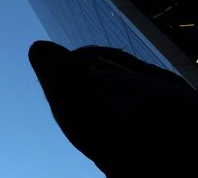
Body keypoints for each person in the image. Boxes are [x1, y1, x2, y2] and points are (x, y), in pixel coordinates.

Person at [28, 40, 198, 178]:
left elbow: (99, 153)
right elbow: (146, 70)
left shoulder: (64, 108)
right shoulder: (90, 59)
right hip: (173, 118)